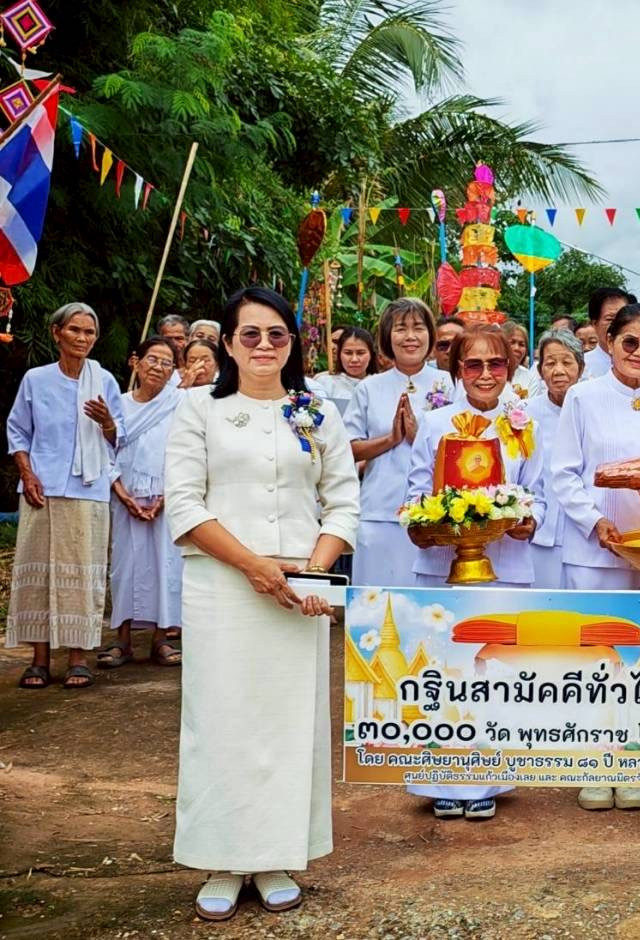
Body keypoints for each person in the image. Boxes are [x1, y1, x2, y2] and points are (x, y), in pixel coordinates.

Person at [164, 286, 358, 921]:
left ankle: (274, 855)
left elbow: (342, 502)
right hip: (223, 585)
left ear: (293, 343)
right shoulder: (199, 408)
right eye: (250, 335)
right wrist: (252, 566)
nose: (264, 346)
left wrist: (312, 573)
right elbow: (186, 504)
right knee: (221, 720)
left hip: (299, 592)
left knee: (286, 724)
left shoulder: (317, 411)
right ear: (227, 343)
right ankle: (223, 858)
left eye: (277, 334)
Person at [552, 303, 640, 813]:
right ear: (609, 343)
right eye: (628, 342)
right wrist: (594, 521)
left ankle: (631, 764)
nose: (638, 353)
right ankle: (592, 763)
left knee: (638, 658)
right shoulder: (584, 397)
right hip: (595, 548)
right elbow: (564, 472)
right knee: (595, 657)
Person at [403, 326, 544, 820]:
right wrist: (420, 524)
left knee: (493, 669)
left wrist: (529, 519)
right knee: (442, 669)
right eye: (473, 365)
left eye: (496, 364)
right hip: (442, 567)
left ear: (509, 368)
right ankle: (441, 777)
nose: (486, 375)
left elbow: (538, 491)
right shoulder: (435, 422)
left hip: (505, 567)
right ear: (456, 370)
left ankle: (488, 779)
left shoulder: (524, 423)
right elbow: (416, 490)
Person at [6, 302, 125, 690]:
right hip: (41, 487)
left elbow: (119, 437)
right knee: (38, 573)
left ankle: (78, 659)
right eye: (75, 330)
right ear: (57, 333)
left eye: (89, 333)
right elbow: (18, 431)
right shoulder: (36, 380)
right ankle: (39, 660)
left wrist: (107, 423)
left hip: (88, 491)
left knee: (81, 576)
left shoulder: (103, 379)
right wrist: (27, 472)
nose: (83, 338)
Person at [344, 298, 452, 586]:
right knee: (375, 604)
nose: (410, 337)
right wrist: (391, 439)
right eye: (401, 328)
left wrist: (419, 438)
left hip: (435, 515)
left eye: (418, 328)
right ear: (387, 337)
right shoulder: (368, 387)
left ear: (430, 334)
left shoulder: (449, 383)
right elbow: (348, 449)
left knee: (427, 609)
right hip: (378, 511)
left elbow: (463, 449)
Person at [99, 337, 185, 670]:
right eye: (152, 359)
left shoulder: (179, 404)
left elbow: (186, 452)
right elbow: (103, 452)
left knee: (167, 564)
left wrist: (165, 496)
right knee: (124, 566)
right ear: (136, 362)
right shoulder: (117, 404)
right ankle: (121, 640)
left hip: (168, 496)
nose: (158, 367)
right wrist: (122, 493)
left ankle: (161, 638)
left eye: (166, 362)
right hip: (124, 497)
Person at [527, 330, 585, 589]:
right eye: (550, 363)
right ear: (540, 371)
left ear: (580, 368)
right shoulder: (525, 413)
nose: (559, 370)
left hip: (585, 530)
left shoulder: (591, 406)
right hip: (542, 529)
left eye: (567, 362)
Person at [309, 326, 377, 416]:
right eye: (348, 353)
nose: (354, 359)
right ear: (339, 354)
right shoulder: (324, 382)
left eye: (361, 353)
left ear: (371, 354)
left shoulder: (381, 384)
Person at [582, 286, 638, 379]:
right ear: (594, 324)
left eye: (623, 318)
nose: (618, 324)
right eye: (610, 319)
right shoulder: (582, 366)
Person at [502, 320, 544, 399]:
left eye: (521, 344)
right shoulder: (488, 373)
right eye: (512, 342)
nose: (517, 348)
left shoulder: (531, 378)